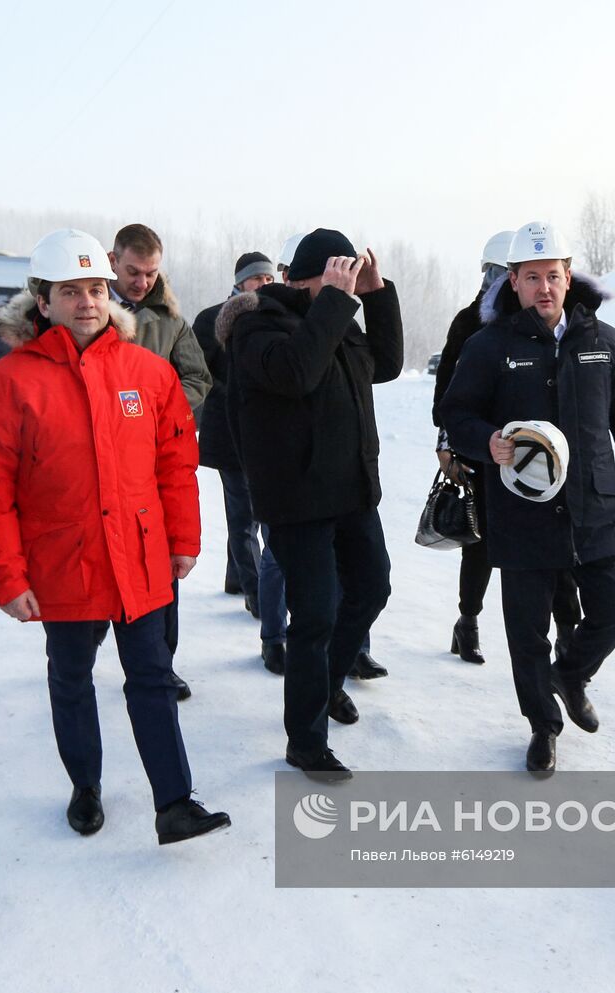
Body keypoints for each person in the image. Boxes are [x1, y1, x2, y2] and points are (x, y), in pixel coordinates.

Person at [0, 228, 230, 844]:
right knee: (71, 676)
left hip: (139, 555)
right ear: (42, 300)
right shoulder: (4, 386)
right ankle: (85, 785)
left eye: (97, 289)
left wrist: (184, 539)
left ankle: (175, 801)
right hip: (65, 562)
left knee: (153, 676)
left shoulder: (148, 373)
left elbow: (175, 463)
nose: (88, 302)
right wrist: (6, 577)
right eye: (71, 290)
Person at [440, 222, 615, 777]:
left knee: (613, 613)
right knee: (527, 633)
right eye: (532, 277)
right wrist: (484, 442)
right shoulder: (489, 346)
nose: (544, 288)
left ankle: (571, 675)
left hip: (594, 507)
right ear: (512, 282)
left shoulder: (601, 341)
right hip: (521, 511)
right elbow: (456, 413)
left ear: (568, 276)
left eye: (553, 276)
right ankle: (543, 726)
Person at [220, 228, 402, 779]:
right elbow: (295, 373)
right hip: (297, 500)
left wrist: (376, 293)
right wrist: (336, 304)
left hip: (350, 491)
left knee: (372, 587)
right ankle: (305, 739)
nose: (345, 282)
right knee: (315, 617)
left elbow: (387, 364)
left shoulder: (336, 320)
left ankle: (323, 687)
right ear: (304, 279)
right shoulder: (257, 325)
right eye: (337, 273)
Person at [432, 230, 581, 665]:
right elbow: (448, 395)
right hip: (486, 450)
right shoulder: (469, 322)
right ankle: (469, 620)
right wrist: (449, 445)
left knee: (556, 544)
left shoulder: (550, 316)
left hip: (544, 454)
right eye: (493, 272)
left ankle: (568, 629)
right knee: (479, 539)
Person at [107, 223, 212, 699]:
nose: (142, 281)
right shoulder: (84, 311)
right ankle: (75, 656)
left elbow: (197, 377)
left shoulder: (170, 321)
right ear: (112, 261)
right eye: (133, 271)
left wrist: (158, 410)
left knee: (160, 567)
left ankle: (161, 666)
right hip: (93, 463)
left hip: (150, 464)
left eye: (151, 273)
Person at [194, 252, 276, 619]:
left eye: (268, 279)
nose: (263, 284)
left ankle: (236, 577)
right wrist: (236, 391)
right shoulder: (211, 318)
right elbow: (197, 371)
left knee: (255, 512)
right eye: (257, 279)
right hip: (229, 430)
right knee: (244, 515)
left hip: (265, 432)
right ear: (240, 281)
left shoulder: (274, 315)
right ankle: (257, 594)